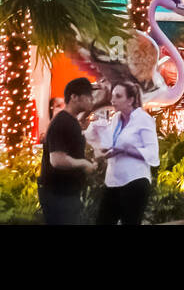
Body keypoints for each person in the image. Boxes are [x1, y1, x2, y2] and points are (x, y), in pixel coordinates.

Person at [93, 81, 158, 226]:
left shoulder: (144, 119)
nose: (112, 100)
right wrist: (104, 150)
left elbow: (153, 154)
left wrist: (127, 150)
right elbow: (112, 143)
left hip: (134, 180)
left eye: (118, 96)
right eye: (113, 96)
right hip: (113, 181)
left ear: (131, 100)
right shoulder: (116, 119)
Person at [39, 78, 98, 224]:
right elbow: (57, 159)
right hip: (59, 194)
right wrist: (84, 164)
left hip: (65, 192)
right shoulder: (63, 122)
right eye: (88, 96)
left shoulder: (70, 121)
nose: (92, 99)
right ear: (74, 97)